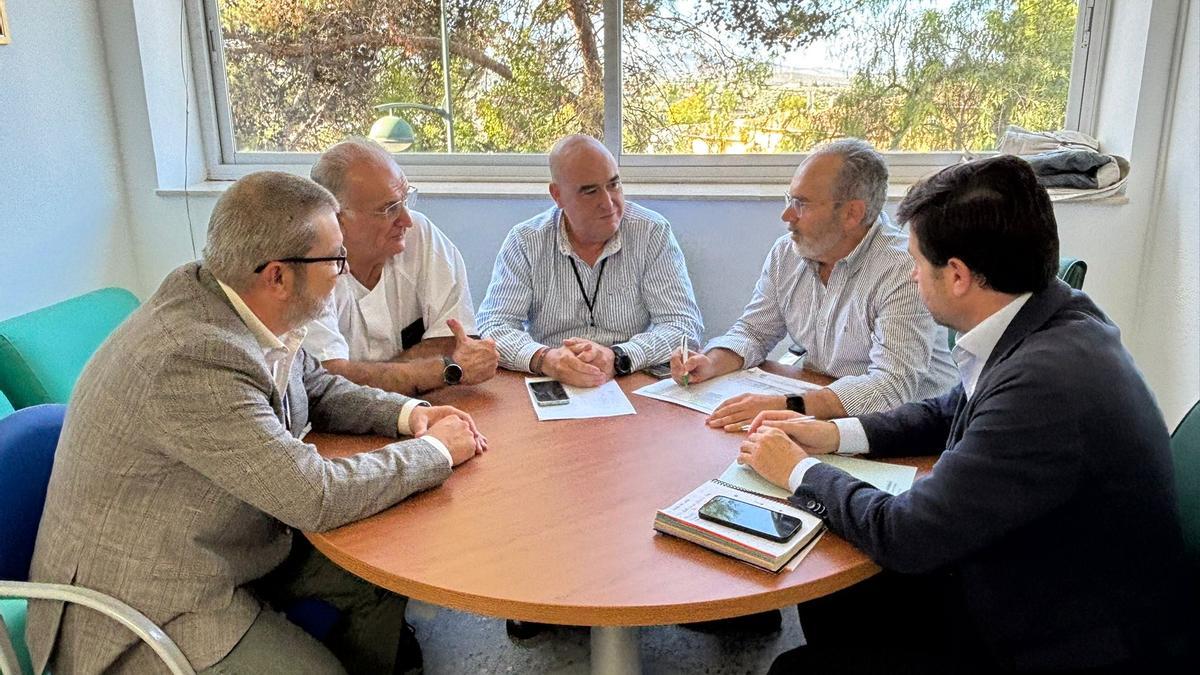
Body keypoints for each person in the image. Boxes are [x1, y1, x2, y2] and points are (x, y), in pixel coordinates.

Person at [738, 155, 1192, 673]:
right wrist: (832, 434)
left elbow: (907, 535)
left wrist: (798, 471)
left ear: (956, 275)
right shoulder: (1055, 314)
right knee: (837, 589)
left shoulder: (1044, 386)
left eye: (915, 262)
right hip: (1039, 568)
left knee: (797, 665)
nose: (911, 275)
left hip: (1063, 639)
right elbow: (947, 410)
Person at [26, 172, 488, 675]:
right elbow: (313, 495)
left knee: (383, 571)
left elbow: (316, 386)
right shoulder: (193, 357)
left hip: (232, 539)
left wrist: (409, 415)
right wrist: (435, 451)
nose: (343, 271)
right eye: (335, 259)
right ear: (278, 277)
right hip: (150, 597)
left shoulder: (232, 299)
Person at [672, 139, 956, 428]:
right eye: (789, 200)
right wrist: (711, 362)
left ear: (852, 213)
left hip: (909, 431)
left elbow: (890, 387)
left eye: (801, 204)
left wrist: (789, 405)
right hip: (821, 411)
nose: (786, 216)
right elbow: (754, 332)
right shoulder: (787, 253)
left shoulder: (903, 268)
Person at [477, 134, 703, 388]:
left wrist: (618, 357)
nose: (608, 203)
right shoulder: (526, 241)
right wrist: (545, 358)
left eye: (613, 185)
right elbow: (494, 325)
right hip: (551, 378)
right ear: (558, 195)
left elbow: (683, 326)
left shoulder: (650, 231)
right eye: (590, 191)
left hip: (629, 377)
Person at [306, 137, 498, 395]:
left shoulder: (420, 235)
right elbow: (328, 382)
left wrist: (371, 374)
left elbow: (456, 343)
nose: (406, 220)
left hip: (428, 403)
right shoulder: (306, 267)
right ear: (337, 219)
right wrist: (441, 369)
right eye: (389, 209)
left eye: (405, 200)